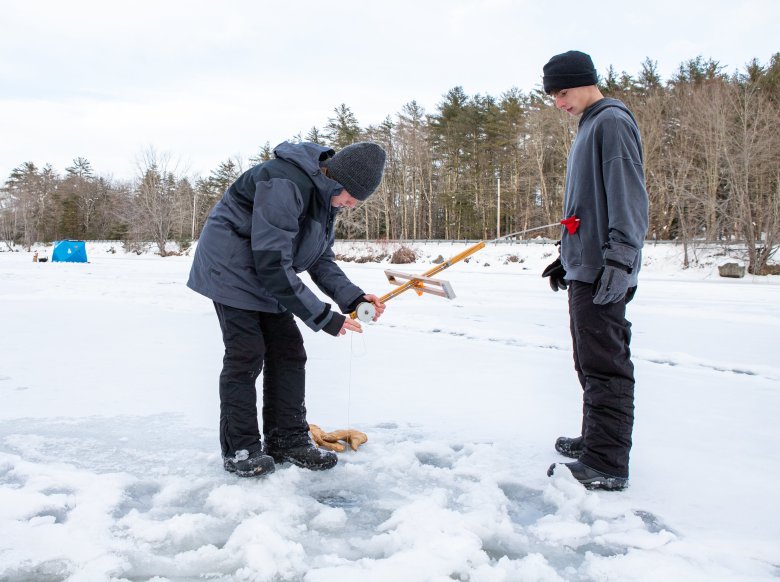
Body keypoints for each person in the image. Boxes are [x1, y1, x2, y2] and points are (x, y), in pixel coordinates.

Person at [188, 140, 387, 477]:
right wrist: (323, 316)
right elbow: (272, 263)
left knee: (289, 351)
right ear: (338, 180)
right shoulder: (285, 183)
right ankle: (242, 449)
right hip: (231, 268)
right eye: (351, 199)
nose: (351, 206)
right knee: (246, 353)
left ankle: (288, 441)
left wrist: (352, 298)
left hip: (266, 270)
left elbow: (319, 258)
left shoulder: (326, 199)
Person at [541, 50, 649, 491]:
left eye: (562, 93)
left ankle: (606, 462)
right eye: (552, 96)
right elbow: (588, 207)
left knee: (605, 364)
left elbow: (628, 198)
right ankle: (595, 440)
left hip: (606, 270)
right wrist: (566, 255)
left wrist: (620, 260)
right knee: (588, 361)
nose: (557, 103)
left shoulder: (611, 122)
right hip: (587, 266)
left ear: (584, 82)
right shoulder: (590, 125)